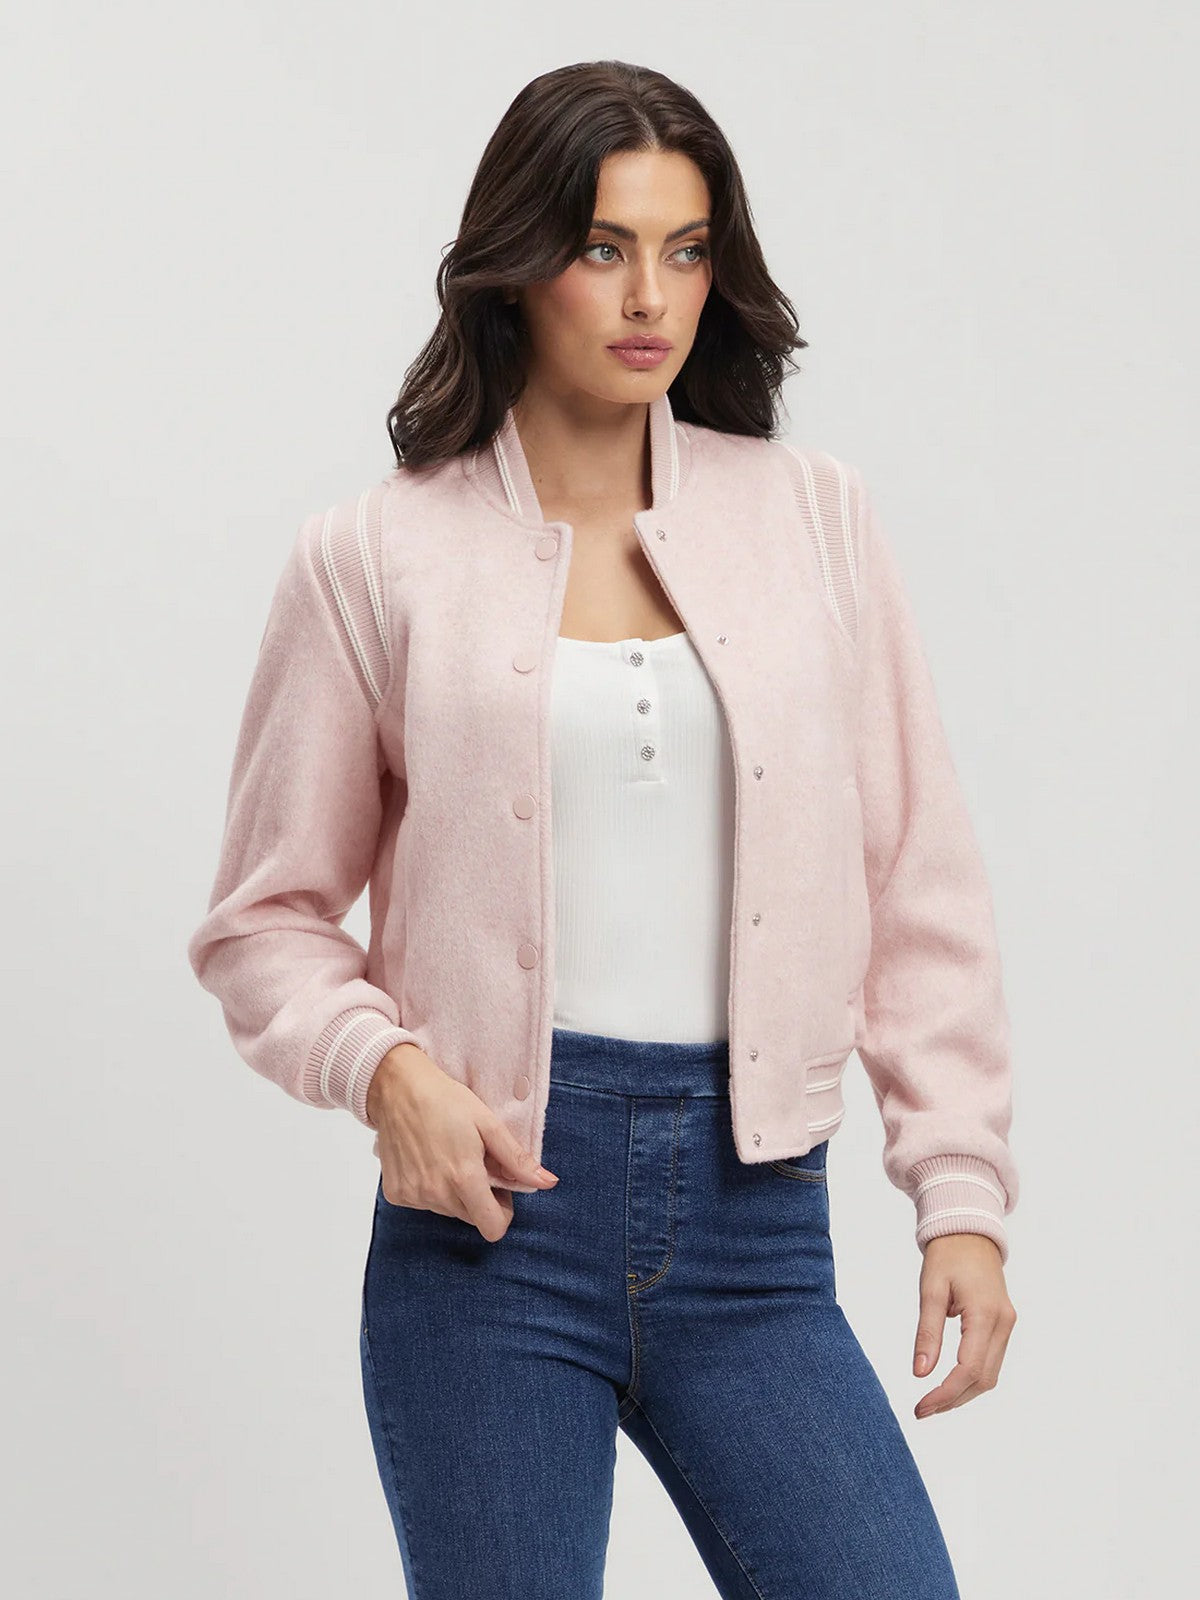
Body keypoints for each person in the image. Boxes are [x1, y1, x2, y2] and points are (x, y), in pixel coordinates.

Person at [188, 59, 1018, 1600]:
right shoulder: (375, 556)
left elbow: (919, 883)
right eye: (602, 247)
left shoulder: (814, 519)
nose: (651, 296)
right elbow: (264, 923)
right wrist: (388, 1073)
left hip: (760, 1229)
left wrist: (959, 1195)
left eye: (685, 249)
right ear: (519, 266)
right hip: (491, 1233)